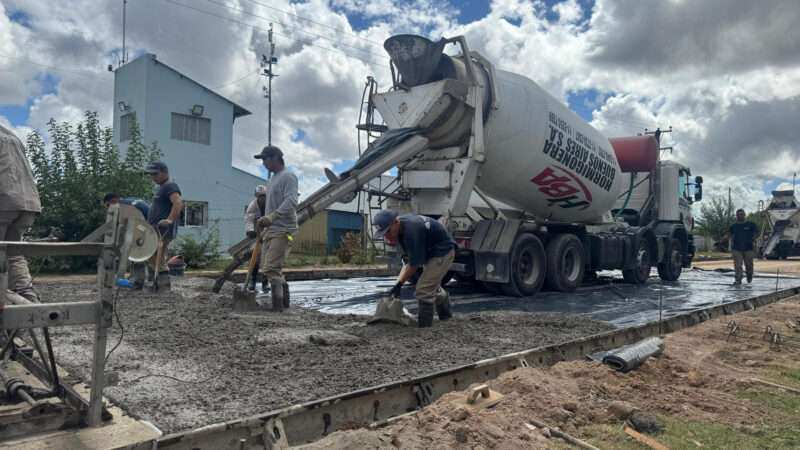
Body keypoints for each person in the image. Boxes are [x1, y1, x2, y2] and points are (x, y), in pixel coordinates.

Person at [374, 209, 456, 328]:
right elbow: (407, 261)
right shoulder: (401, 230)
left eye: (388, 231)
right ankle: (446, 316)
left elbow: (414, 265)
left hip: (442, 252)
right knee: (430, 286)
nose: (387, 235)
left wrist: (400, 284)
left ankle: (424, 328)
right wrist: (397, 284)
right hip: (431, 252)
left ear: (396, 222)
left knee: (423, 290)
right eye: (384, 233)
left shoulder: (412, 230)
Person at [0, 124, 41, 302]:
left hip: (4, 200)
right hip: (27, 202)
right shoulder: (11, 136)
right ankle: (29, 302)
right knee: (14, 253)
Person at [255, 146, 297, 311]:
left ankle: (278, 306)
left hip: (284, 230)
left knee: (272, 268)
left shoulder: (288, 176)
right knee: (268, 268)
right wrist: (264, 220)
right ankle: (284, 302)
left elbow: (292, 201)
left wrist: (273, 216)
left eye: (264, 159)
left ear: (274, 158)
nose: (263, 163)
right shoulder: (272, 180)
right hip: (271, 230)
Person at [145, 161, 183, 289]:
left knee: (156, 255)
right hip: (157, 229)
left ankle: (163, 283)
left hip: (163, 230)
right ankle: (159, 282)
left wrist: (170, 220)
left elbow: (178, 203)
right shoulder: (161, 188)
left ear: (164, 172)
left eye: (155, 174)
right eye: (151, 174)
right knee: (154, 255)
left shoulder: (170, 186)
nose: (153, 177)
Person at [104, 192, 150, 289]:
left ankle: (138, 282)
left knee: (138, 255)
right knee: (140, 254)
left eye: (108, 205)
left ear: (113, 200)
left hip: (143, 228)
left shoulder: (122, 207)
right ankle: (140, 279)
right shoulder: (129, 200)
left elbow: (127, 225)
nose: (109, 208)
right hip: (150, 226)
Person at [244, 185, 268, 291]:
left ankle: (265, 283)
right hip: (256, 233)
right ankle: (252, 281)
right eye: (260, 196)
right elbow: (249, 219)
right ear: (256, 196)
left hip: (268, 232)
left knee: (267, 260)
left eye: (264, 196)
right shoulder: (253, 205)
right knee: (255, 258)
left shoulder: (270, 205)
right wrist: (249, 230)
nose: (262, 198)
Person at [730, 208, 759, 285]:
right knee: (738, 265)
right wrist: (721, 242)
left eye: (742, 214)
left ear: (744, 215)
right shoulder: (734, 226)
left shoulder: (751, 225)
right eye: (738, 215)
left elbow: (756, 233)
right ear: (736, 216)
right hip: (736, 248)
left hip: (748, 248)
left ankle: (749, 276)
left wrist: (754, 238)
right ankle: (738, 279)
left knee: (749, 265)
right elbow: (729, 235)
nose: (740, 216)